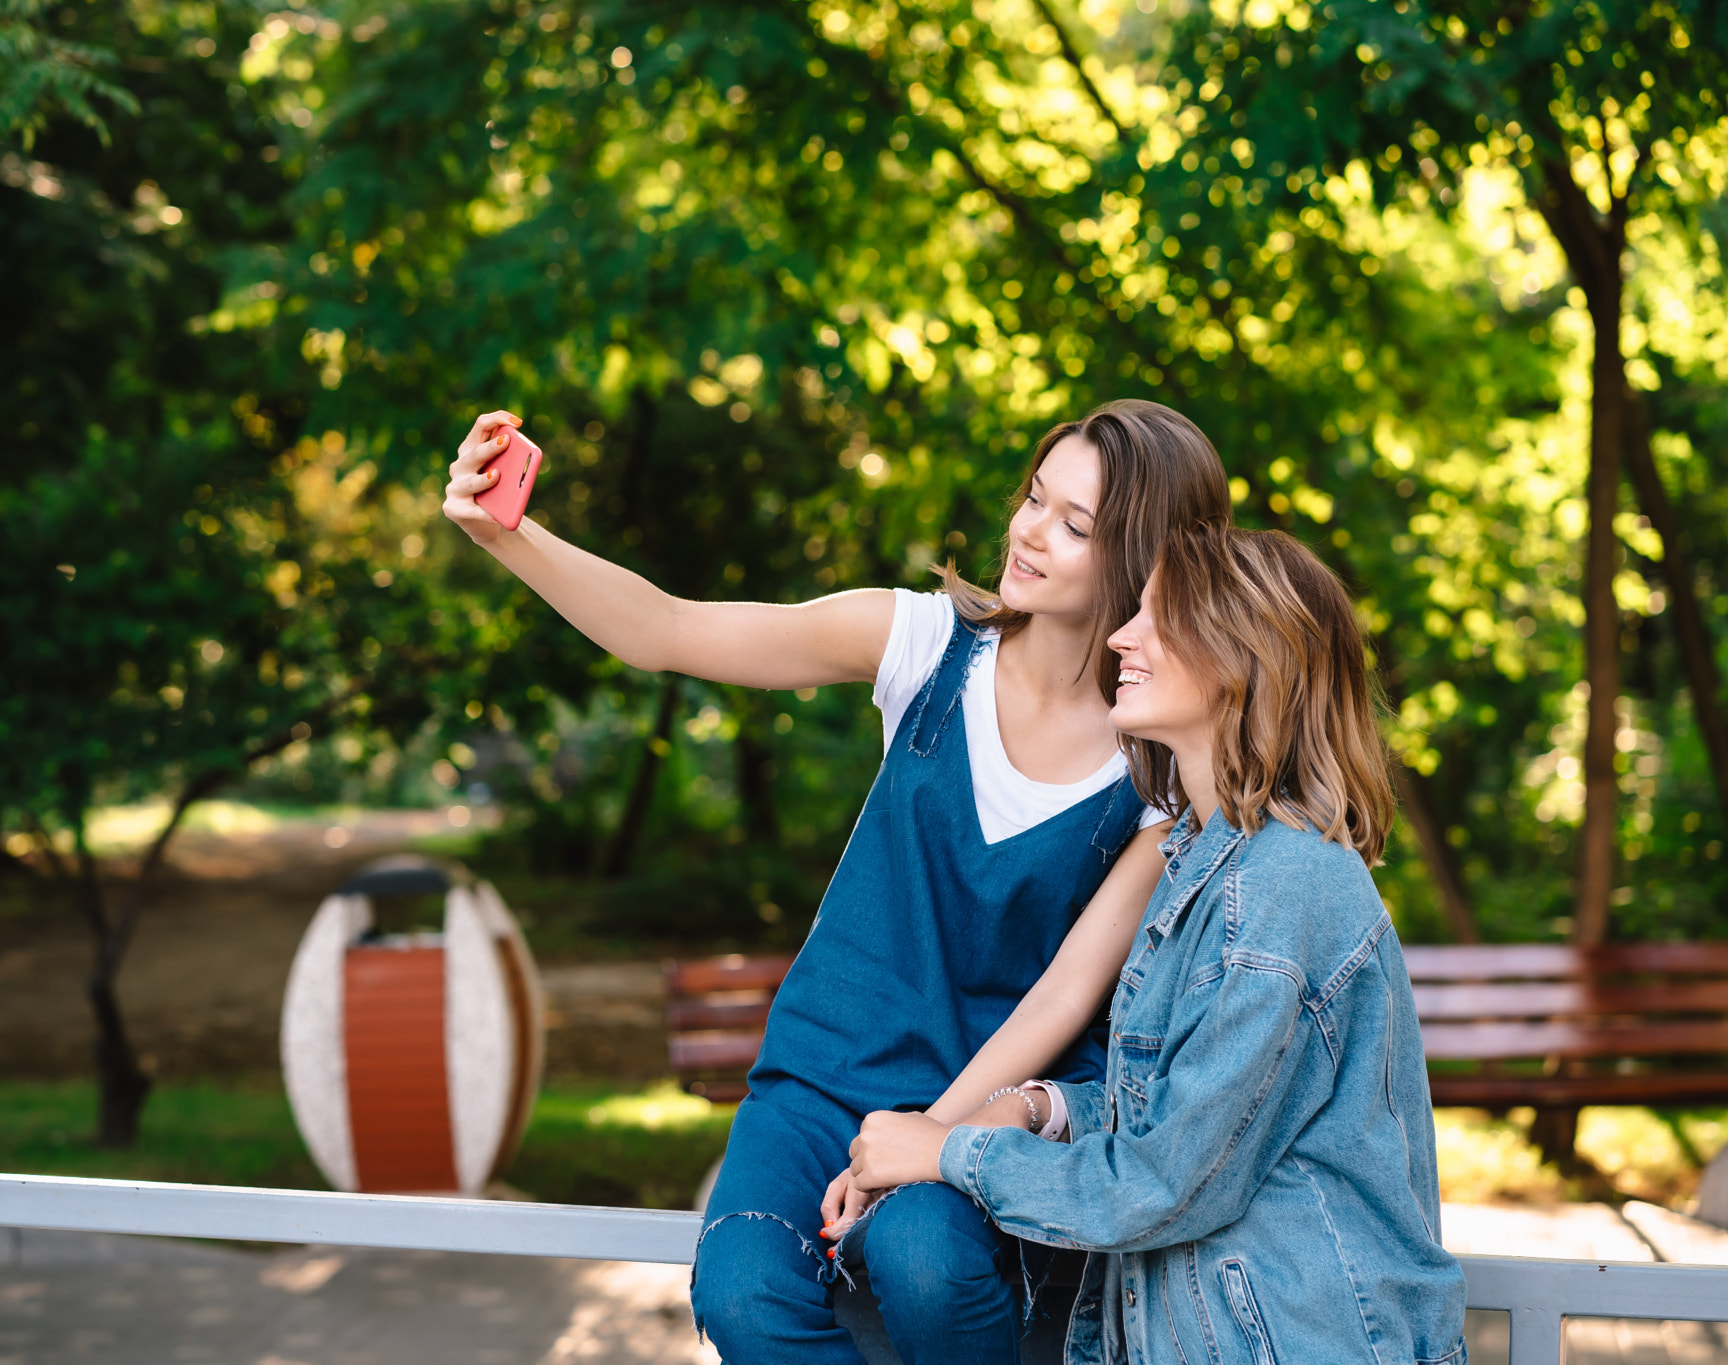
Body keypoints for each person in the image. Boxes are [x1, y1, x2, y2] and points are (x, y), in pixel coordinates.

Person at [440, 399, 1231, 1363]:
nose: (1029, 531)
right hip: (820, 1080)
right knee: (741, 1292)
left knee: (928, 1265)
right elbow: (667, 630)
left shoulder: (1155, 760)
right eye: (1035, 498)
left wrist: (927, 1137)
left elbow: (1069, 993)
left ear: (1147, 562)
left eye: (1075, 525)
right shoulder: (923, 644)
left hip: (984, 1106)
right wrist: (506, 533)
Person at [846, 524, 1468, 1365]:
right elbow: (1189, 1111)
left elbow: (1166, 1181)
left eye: (1157, 620)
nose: (1118, 638)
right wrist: (1043, 1106)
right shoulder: (1209, 865)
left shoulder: (1280, 885)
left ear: (1240, 658)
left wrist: (948, 1148)